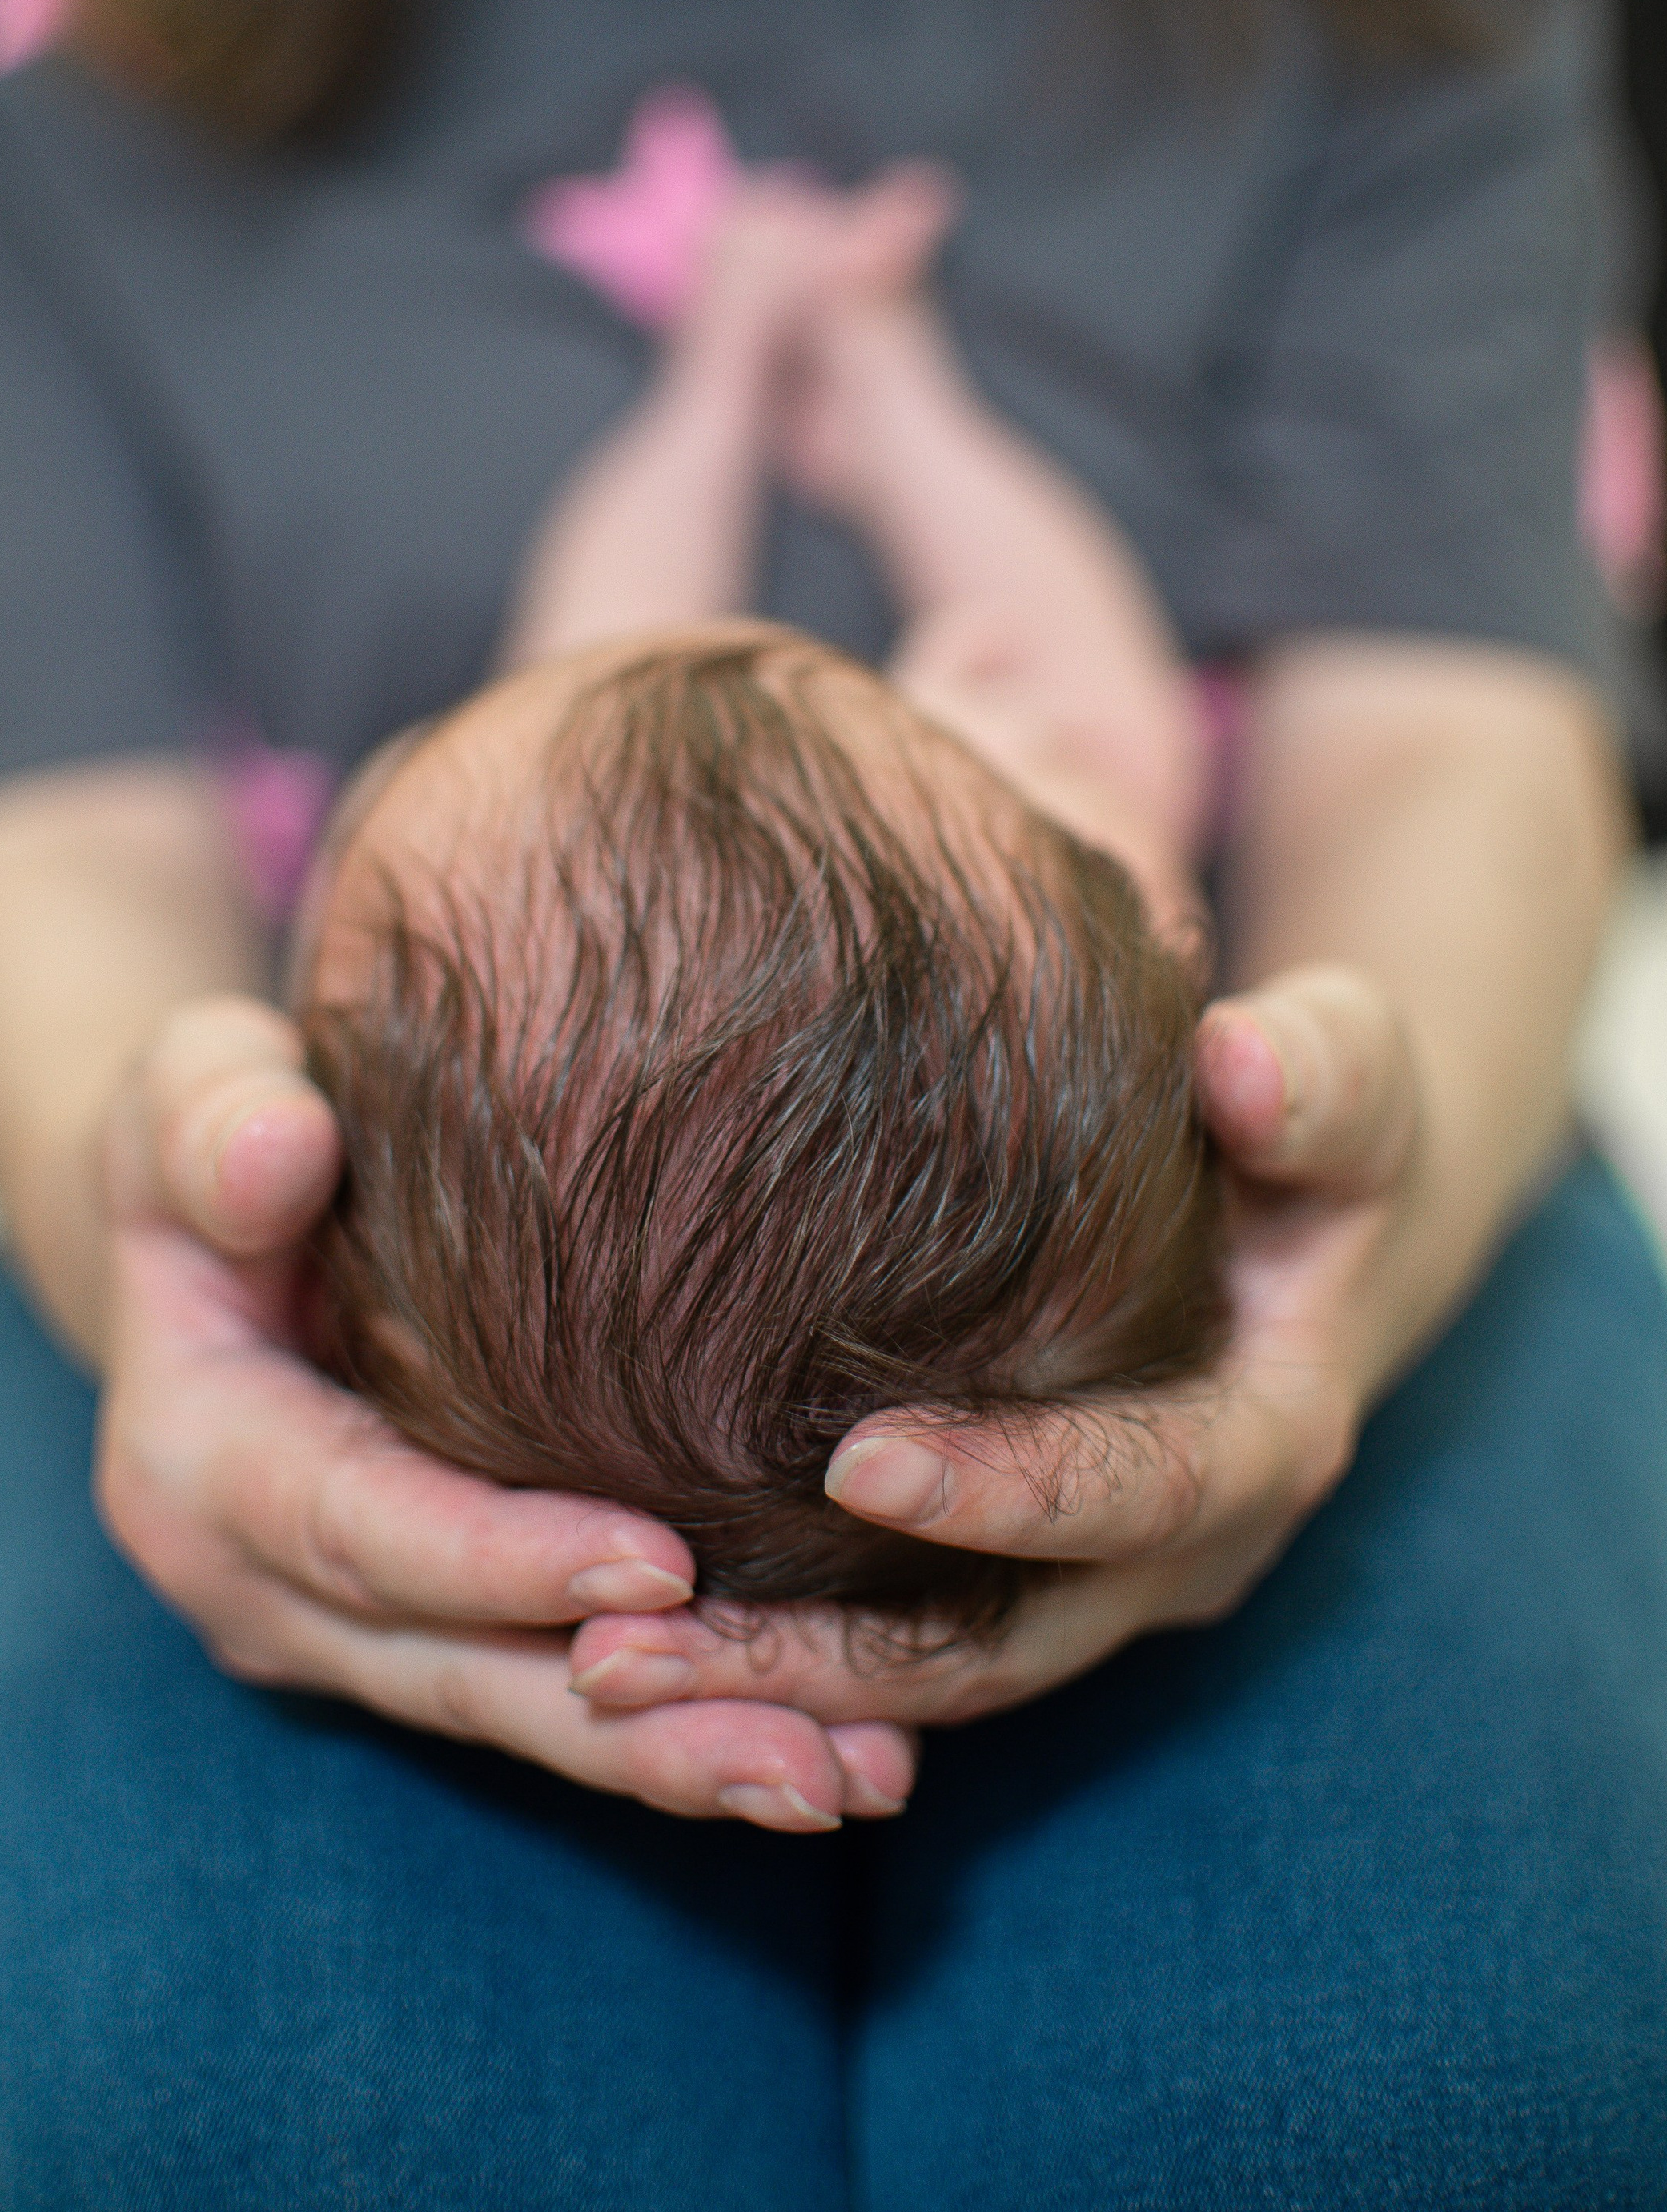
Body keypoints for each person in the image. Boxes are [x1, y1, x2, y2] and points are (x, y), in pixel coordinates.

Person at [0, 0, 1667, 2212]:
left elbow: (1448, 719)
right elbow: (39, 798)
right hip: (404, 1249)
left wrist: (1321, 1295)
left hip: (1221, 1206)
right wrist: (161, 1218)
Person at [303, 162, 1226, 1622]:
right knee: (1089, 719)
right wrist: (994, 752)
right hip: (996, 846)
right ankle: (893, 394)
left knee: (589, 690)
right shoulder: (1043, 809)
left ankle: (713, 388)